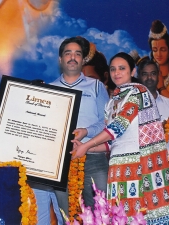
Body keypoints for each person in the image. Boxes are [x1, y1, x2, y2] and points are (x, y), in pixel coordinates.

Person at [72, 52, 169, 223]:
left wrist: (86, 145)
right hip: (117, 168)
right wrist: (86, 149)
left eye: (122, 68)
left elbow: (117, 127)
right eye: (113, 69)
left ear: (132, 71)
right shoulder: (112, 101)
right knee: (121, 216)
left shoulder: (138, 92)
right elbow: (111, 143)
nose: (117, 73)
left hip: (138, 166)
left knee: (138, 216)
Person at [47, 36, 109, 218]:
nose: (73, 57)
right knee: (68, 217)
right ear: (60, 59)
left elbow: (105, 122)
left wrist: (86, 132)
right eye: (68, 53)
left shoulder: (96, 86)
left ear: (83, 60)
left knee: (101, 214)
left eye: (77, 54)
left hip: (94, 159)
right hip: (62, 162)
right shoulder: (50, 89)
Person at [138, 58, 169, 208]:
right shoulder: (132, 106)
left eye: (153, 73)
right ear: (139, 77)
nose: (149, 78)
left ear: (159, 76)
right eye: (145, 74)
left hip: (167, 163)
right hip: (141, 166)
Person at [148, 20, 169, 103]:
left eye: (163, 49)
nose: (158, 54)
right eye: (155, 50)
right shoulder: (149, 70)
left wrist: (162, 89)